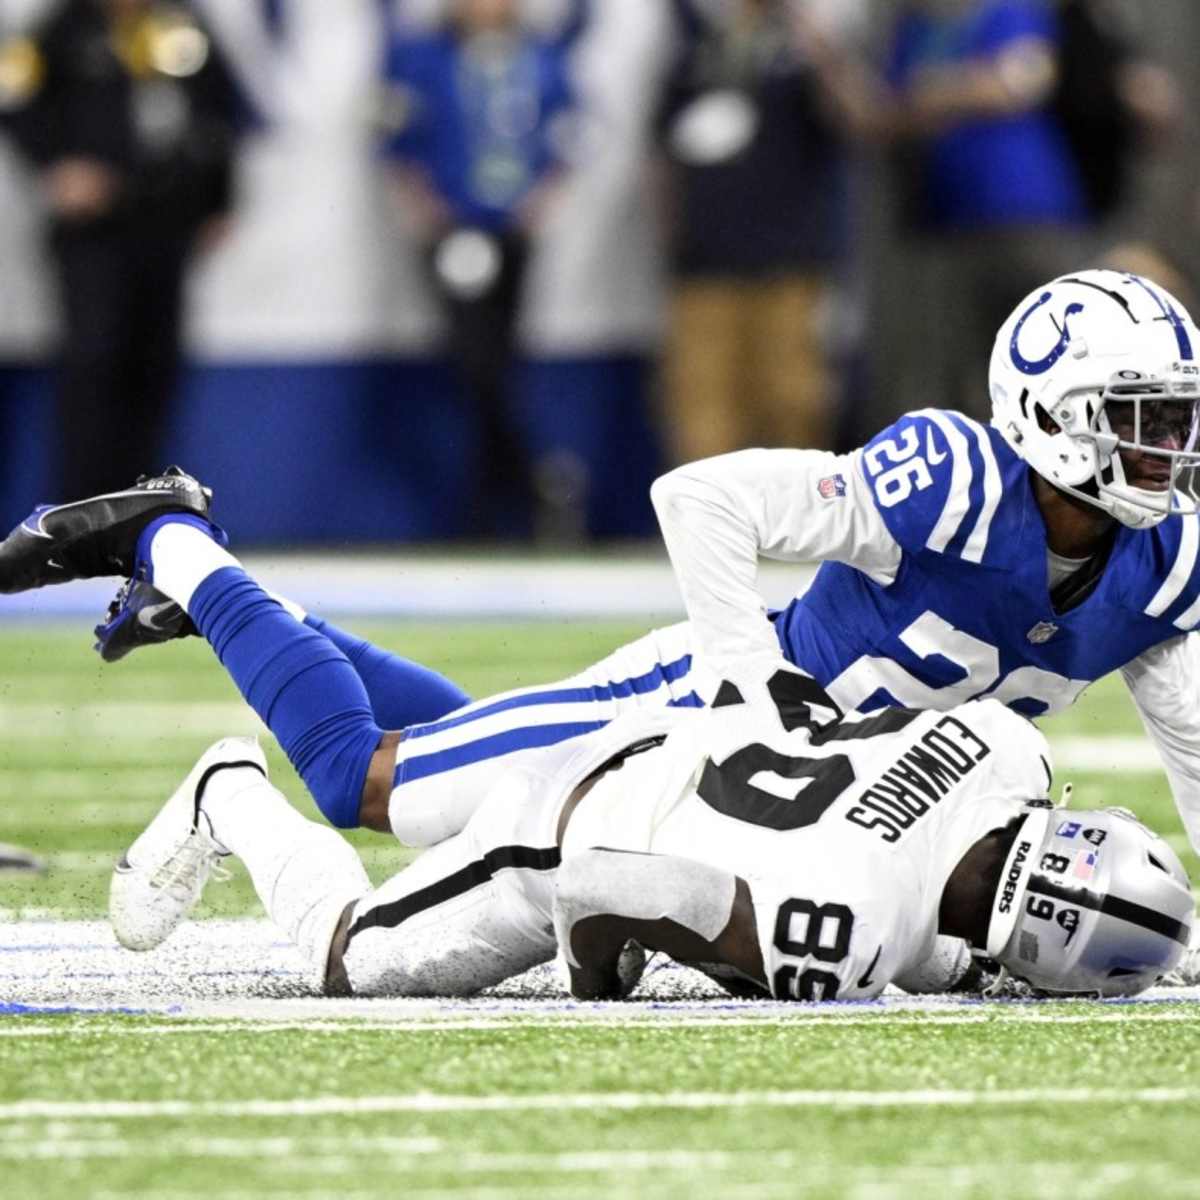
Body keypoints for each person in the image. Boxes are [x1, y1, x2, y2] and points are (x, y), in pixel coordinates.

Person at [3, 271, 1200, 905]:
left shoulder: (1163, 559)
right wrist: (745, 686)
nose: (1168, 452)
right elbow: (703, 499)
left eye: (1178, 422)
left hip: (794, 806)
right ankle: (175, 542)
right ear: (1052, 415)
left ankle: (246, 610)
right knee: (366, 787)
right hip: (684, 721)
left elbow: (1193, 742)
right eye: (1142, 422)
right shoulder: (952, 480)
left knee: (453, 752)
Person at [106, 683, 1193, 1001]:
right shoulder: (846, 932)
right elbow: (601, 886)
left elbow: (815, 698)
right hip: (571, 831)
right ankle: (230, 792)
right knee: (349, 955)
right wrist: (601, 980)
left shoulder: (1005, 748)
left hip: (662, 741)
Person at [0, 0, 242, 499]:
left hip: (165, 221)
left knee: (155, 365)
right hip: (93, 233)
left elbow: (219, 109)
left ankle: (142, 509)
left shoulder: (180, 22)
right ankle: (81, 510)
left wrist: (218, 197)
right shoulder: (61, 31)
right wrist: (57, 165)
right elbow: (16, 99)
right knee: (94, 361)